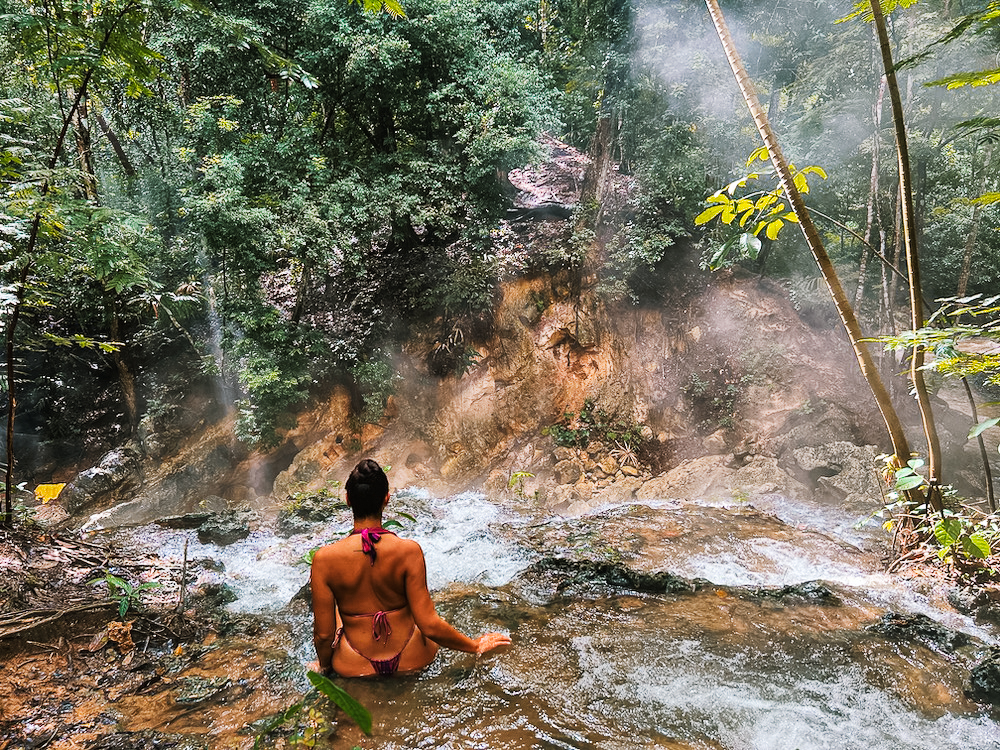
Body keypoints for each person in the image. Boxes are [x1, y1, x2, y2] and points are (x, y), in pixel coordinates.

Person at [310, 458, 511, 677]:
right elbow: (429, 624)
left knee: (339, 613)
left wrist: (325, 667)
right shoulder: (408, 551)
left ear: (348, 500)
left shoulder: (324, 559)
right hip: (412, 655)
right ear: (386, 499)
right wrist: (475, 645)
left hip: (354, 662)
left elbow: (323, 635)